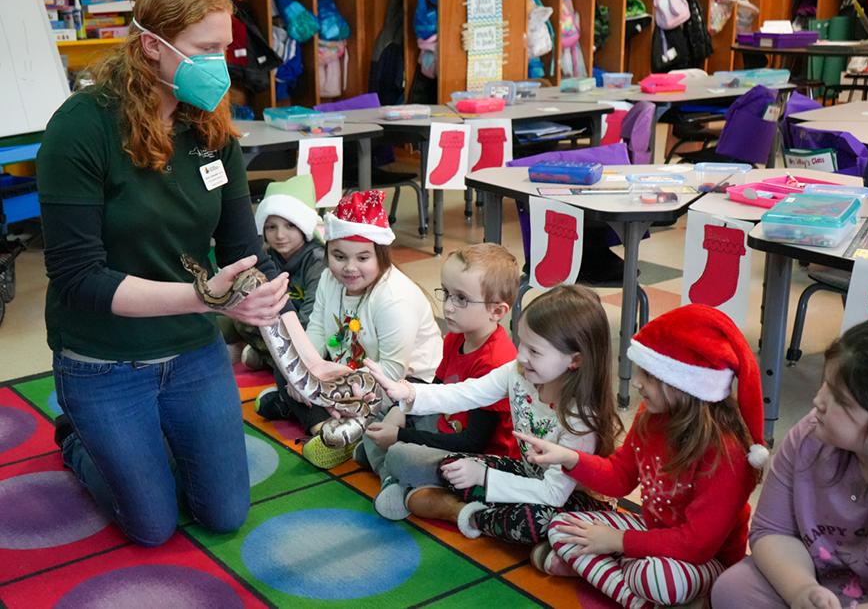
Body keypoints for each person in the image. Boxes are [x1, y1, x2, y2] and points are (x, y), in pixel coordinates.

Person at [35, 0, 290, 547]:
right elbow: (78, 280)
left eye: (223, 49)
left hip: (192, 350)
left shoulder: (210, 127)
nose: (220, 65)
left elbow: (243, 253)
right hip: (103, 359)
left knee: (223, 514)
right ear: (153, 44)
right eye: (204, 50)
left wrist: (303, 359)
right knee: (151, 526)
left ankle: (144, 441)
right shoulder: (80, 128)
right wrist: (207, 296)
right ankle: (78, 437)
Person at [516, 304, 768, 609]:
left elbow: (697, 544)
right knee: (562, 528)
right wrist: (570, 458)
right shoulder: (649, 416)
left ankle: (615, 576)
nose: (636, 383)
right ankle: (644, 600)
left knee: (655, 578)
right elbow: (620, 477)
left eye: (648, 375)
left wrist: (617, 543)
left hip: (705, 561)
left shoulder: (726, 453)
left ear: (683, 383)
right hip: (654, 535)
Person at [363, 284, 622, 548]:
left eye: (535, 351)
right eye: (521, 342)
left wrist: (483, 477)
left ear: (574, 360)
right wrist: (407, 393)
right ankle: (516, 527)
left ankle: (461, 513)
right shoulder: (518, 372)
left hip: (572, 501)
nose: (521, 356)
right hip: (527, 476)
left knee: (534, 520)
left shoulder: (581, 417)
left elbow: (553, 493)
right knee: (450, 466)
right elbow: (467, 392)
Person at [255, 189, 443, 470]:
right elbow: (317, 330)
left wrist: (326, 388)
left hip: (401, 383)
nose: (349, 268)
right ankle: (325, 429)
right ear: (327, 252)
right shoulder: (329, 280)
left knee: (401, 410)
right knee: (285, 369)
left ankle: (326, 421)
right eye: (339, 256)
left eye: (363, 258)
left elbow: (392, 371)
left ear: (381, 256)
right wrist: (304, 373)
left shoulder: (394, 299)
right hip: (345, 372)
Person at [711, 319, 868, 609]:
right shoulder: (809, 437)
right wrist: (802, 591)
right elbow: (771, 531)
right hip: (816, 581)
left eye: (840, 398)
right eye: (826, 383)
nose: (818, 400)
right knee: (733, 588)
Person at [368, 243, 520, 521]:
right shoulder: (456, 336)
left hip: (479, 456)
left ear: (496, 312)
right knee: (377, 407)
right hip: (446, 426)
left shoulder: (496, 361)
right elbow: (435, 390)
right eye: (447, 293)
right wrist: (399, 412)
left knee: (400, 455)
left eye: (461, 298)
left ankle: (390, 472)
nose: (447, 307)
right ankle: (393, 478)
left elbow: (474, 442)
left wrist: (400, 435)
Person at [221, 175, 325, 370]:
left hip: (309, 333)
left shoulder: (317, 262)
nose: (279, 235)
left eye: (290, 226)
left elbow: (311, 321)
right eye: (271, 227)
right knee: (237, 317)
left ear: (304, 225)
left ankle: (271, 361)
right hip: (280, 326)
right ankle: (271, 358)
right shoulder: (269, 258)